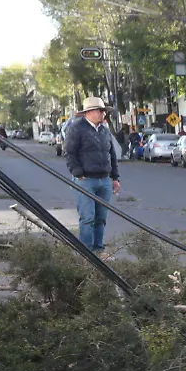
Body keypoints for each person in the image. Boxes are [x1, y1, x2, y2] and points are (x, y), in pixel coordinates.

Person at [63, 96, 120, 254]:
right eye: (100, 111)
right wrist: (78, 173)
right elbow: (69, 152)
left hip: (104, 180)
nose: (103, 114)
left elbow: (112, 154)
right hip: (85, 180)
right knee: (88, 218)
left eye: (103, 111)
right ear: (90, 112)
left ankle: (98, 250)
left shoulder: (104, 130)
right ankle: (86, 253)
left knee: (101, 218)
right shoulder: (77, 128)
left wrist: (115, 178)